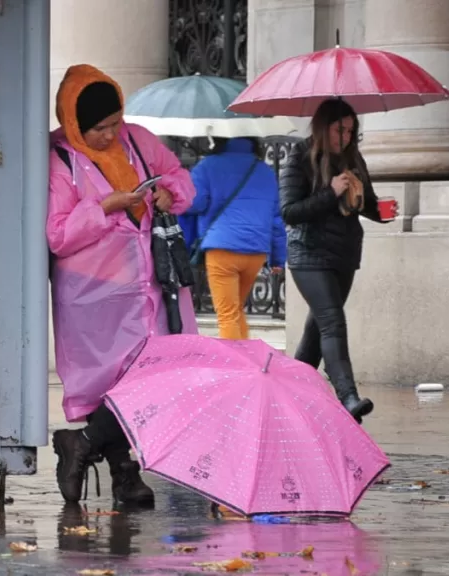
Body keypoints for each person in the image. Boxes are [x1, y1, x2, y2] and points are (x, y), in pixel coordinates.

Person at [47, 64, 198, 506]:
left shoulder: (139, 140)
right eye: (99, 128)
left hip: (151, 283)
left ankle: (85, 445)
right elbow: (58, 234)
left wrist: (171, 193)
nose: (110, 135)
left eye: (115, 123)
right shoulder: (59, 160)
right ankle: (125, 475)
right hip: (93, 295)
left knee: (156, 376)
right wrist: (106, 205)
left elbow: (179, 179)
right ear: (75, 122)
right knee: (109, 385)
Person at [278, 98, 399, 423]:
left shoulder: (353, 159)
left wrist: (382, 211)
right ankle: (348, 397)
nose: (344, 137)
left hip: (344, 254)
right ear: (323, 127)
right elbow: (290, 212)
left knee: (317, 331)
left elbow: (367, 203)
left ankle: (288, 394)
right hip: (309, 254)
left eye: (350, 131)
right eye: (338, 130)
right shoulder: (299, 157)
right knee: (332, 322)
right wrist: (330, 192)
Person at [187, 137, 287, 339]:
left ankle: (233, 369)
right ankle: (247, 361)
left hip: (222, 249)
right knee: (236, 310)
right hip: (256, 251)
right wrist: (278, 257)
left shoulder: (207, 166)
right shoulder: (264, 171)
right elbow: (276, 219)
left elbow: (193, 203)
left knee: (227, 315)